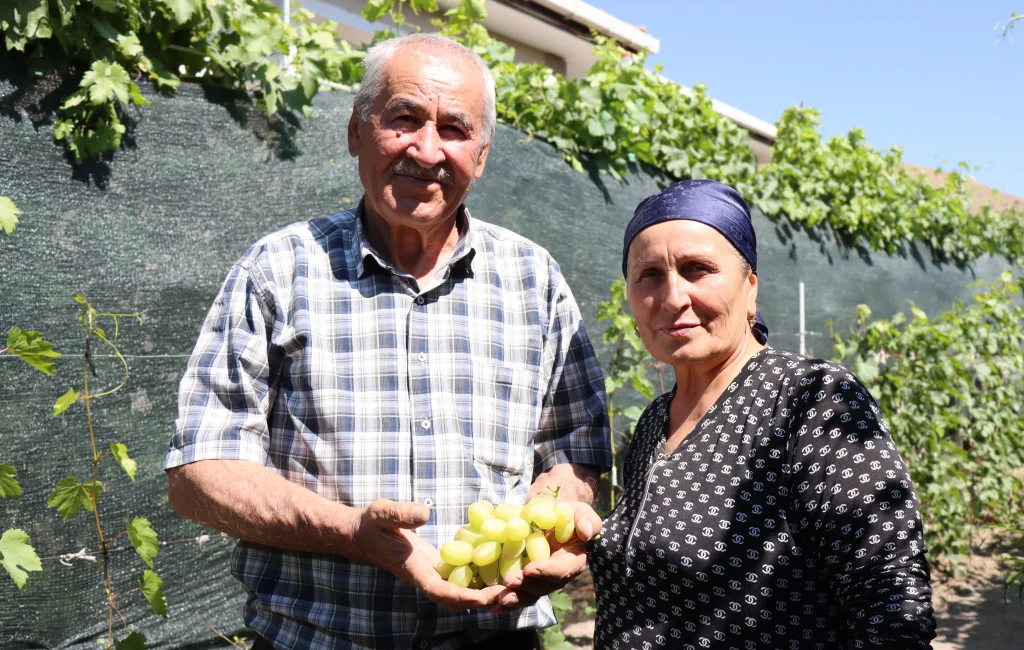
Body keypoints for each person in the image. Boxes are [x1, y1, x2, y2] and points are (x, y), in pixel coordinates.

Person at [164, 33, 610, 650]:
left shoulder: (536, 282)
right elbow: (198, 472)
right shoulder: (278, 270)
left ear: (480, 156)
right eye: (403, 120)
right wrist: (351, 532)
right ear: (356, 132)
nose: (426, 150)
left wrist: (552, 533)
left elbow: (576, 451)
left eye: (454, 130)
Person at [587, 179, 936, 649]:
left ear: (750, 288)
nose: (672, 298)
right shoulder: (655, 420)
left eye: (698, 269)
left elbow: (890, 599)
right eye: (649, 275)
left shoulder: (811, 400)